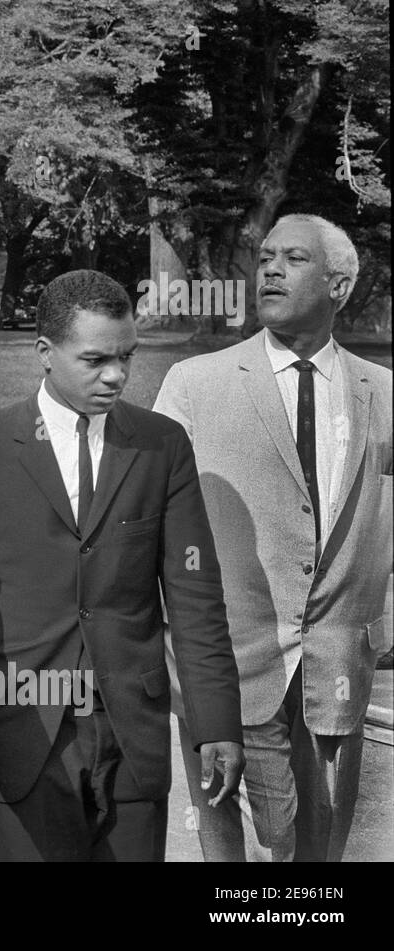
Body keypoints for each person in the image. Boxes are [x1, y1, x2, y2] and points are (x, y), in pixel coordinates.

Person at [0, 269, 244, 862]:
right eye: (96, 359)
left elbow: (195, 597)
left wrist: (217, 723)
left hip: (131, 729)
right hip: (20, 725)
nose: (117, 375)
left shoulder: (162, 446)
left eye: (127, 356)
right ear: (45, 353)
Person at [153, 214, 392, 862]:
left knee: (319, 840)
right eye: (264, 257)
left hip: (339, 661)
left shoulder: (384, 394)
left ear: (340, 285)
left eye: (294, 258)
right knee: (235, 836)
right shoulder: (194, 385)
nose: (270, 268)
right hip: (226, 659)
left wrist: (383, 622)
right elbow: (149, 523)